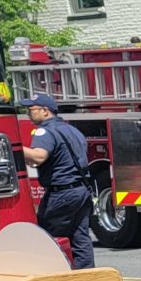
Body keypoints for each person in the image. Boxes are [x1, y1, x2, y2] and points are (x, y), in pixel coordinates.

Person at [21, 91, 95, 268]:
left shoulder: (44, 132)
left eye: (31, 109)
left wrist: (13, 146)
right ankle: (85, 277)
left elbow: (39, 157)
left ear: (45, 111)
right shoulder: (72, 130)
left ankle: (54, 276)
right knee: (80, 236)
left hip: (62, 193)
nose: (29, 114)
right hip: (82, 190)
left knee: (46, 237)